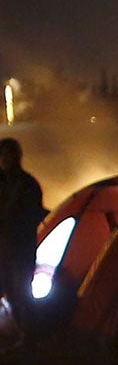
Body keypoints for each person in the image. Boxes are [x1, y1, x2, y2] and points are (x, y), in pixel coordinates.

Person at [0, 136, 46, 321]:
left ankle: (26, 332)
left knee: (21, 292)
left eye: (8, 155)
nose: (5, 159)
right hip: (7, 248)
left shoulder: (27, 184)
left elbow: (31, 215)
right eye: (2, 155)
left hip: (19, 248)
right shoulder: (25, 183)